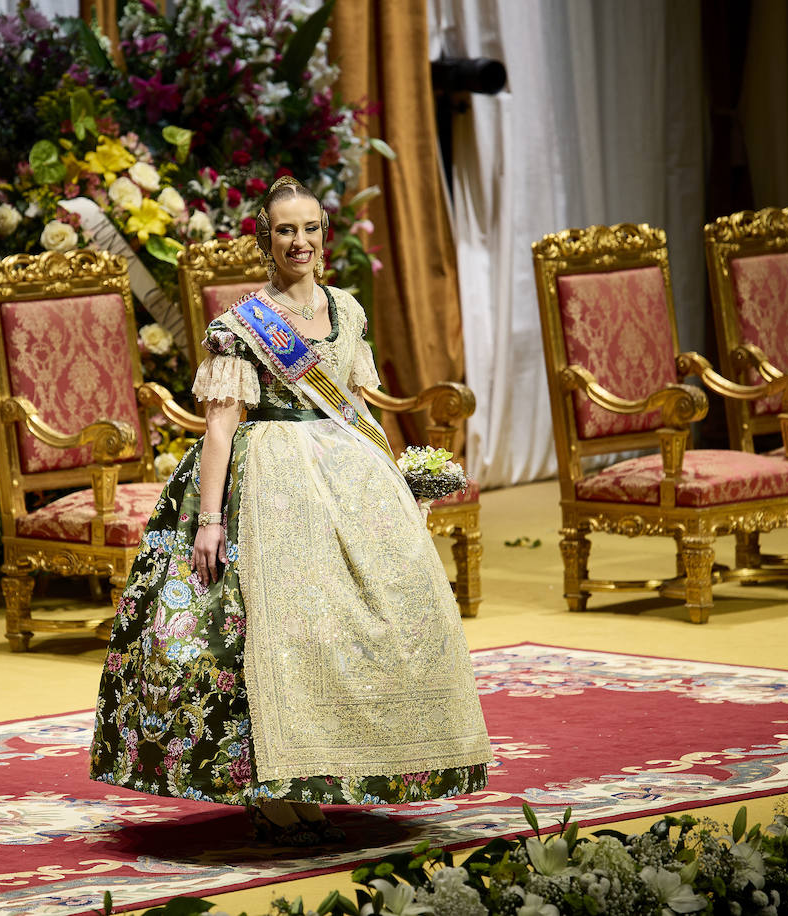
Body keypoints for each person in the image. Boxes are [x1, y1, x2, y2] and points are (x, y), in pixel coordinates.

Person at [89, 176, 490, 846]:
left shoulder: (349, 310)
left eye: (309, 229)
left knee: (369, 625)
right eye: (285, 231)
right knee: (275, 632)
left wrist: (394, 483)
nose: (299, 242)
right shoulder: (238, 327)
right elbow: (218, 429)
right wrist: (210, 523)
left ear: (323, 236)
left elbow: (359, 409)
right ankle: (270, 784)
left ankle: (332, 770)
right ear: (263, 239)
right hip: (270, 485)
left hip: (349, 480)